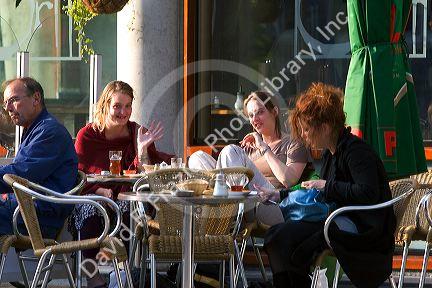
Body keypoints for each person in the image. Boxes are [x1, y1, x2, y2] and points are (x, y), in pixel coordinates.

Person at [258, 82, 396, 288]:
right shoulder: (332, 153)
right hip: (337, 218)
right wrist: (282, 195)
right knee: (274, 235)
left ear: (325, 126)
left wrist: (326, 186)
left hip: (362, 227)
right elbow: (314, 190)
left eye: (306, 130)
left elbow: (368, 192)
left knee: (284, 238)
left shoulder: (355, 152)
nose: (303, 136)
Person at [72, 80, 172, 288]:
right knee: (90, 209)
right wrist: (98, 190)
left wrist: (142, 150)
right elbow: (77, 176)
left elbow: (148, 176)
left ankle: (124, 272)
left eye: (127, 106)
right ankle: (92, 277)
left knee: (131, 211)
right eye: (117, 106)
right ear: (105, 105)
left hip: (127, 195)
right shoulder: (88, 135)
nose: (123, 112)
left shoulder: (138, 133)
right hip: (93, 195)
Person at [0, 77, 78, 238]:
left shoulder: (49, 131)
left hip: (39, 216)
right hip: (27, 209)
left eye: (13, 100)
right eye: (5, 103)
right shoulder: (35, 129)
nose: (8, 108)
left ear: (36, 98)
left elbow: (22, 173)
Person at [189, 91, 311, 190]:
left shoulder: (293, 143)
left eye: (260, 112)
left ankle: (225, 202)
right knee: (197, 157)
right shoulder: (249, 147)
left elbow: (288, 180)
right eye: (251, 115)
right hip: (241, 196)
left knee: (231, 150)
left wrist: (263, 147)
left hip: (268, 201)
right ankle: (223, 202)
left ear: (274, 112)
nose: (255, 119)